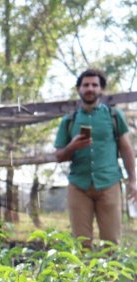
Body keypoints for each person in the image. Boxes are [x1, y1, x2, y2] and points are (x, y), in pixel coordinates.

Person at [54, 68, 137, 246]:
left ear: (101, 89)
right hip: (78, 186)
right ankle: (83, 275)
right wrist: (72, 146)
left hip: (109, 183)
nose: (90, 88)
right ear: (79, 89)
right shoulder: (68, 121)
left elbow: (127, 149)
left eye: (94, 85)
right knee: (80, 244)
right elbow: (59, 156)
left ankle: (111, 275)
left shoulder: (114, 116)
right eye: (86, 85)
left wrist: (132, 180)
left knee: (111, 243)